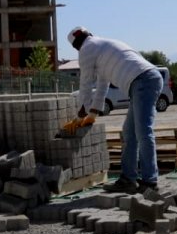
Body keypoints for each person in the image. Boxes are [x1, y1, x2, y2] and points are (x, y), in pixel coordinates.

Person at [66, 26, 164, 194]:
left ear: (76, 45)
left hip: (143, 81)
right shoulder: (102, 48)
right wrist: (93, 113)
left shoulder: (87, 49)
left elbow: (86, 83)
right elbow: (102, 85)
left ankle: (150, 181)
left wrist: (79, 114)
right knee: (129, 132)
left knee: (143, 132)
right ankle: (128, 179)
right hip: (145, 80)